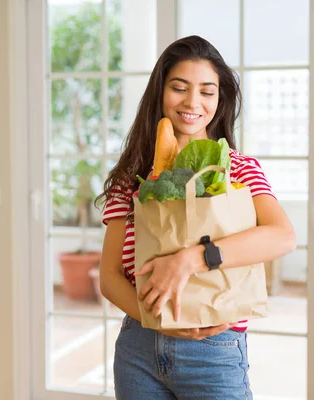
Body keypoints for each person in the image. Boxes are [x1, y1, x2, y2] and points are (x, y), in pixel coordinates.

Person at [95, 35, 296, 400]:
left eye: (207, 91)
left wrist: (190, 259)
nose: (192, 102)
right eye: (179, 88)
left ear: (220, 101)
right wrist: (157, 321)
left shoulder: (239, 169)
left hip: (214, 350)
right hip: (139, 347)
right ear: (160, 93)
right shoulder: (132, 177)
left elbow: (282, 236)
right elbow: (109, 278)